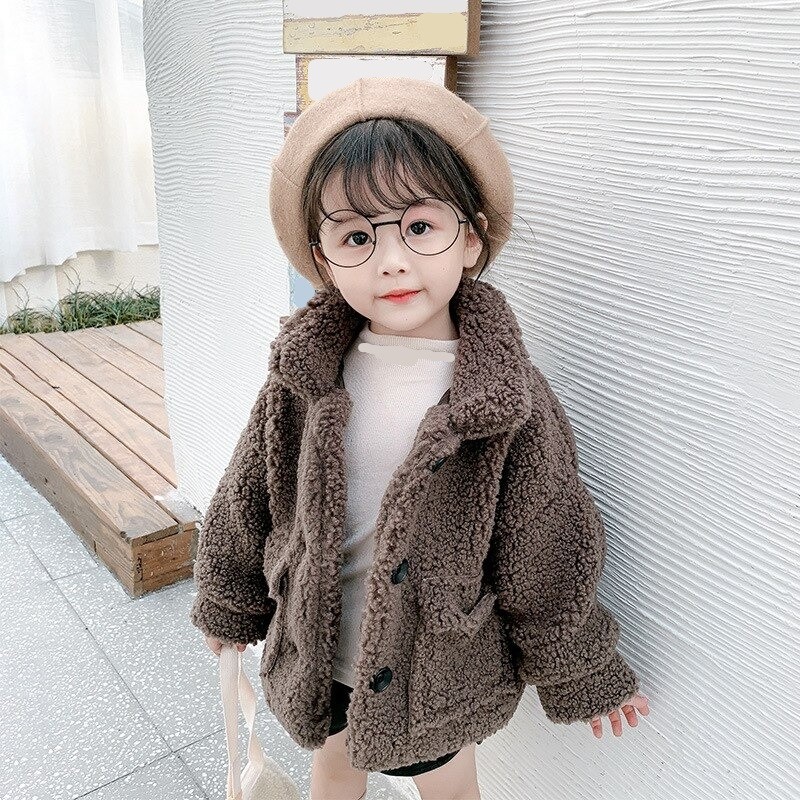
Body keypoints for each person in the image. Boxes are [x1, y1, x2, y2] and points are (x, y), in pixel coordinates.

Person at [190, 76, 650, 800]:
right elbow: (248, 490)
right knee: (332, 766)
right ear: (322, 258)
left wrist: (579, 668)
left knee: (449, 784)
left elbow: (547, 539)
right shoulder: (305, 373)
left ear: (470, 238)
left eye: (419, 228)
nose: (391, 261)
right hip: (320, 649)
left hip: (434, 667)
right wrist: (229, 597)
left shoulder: (502, 398)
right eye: (357, 237)